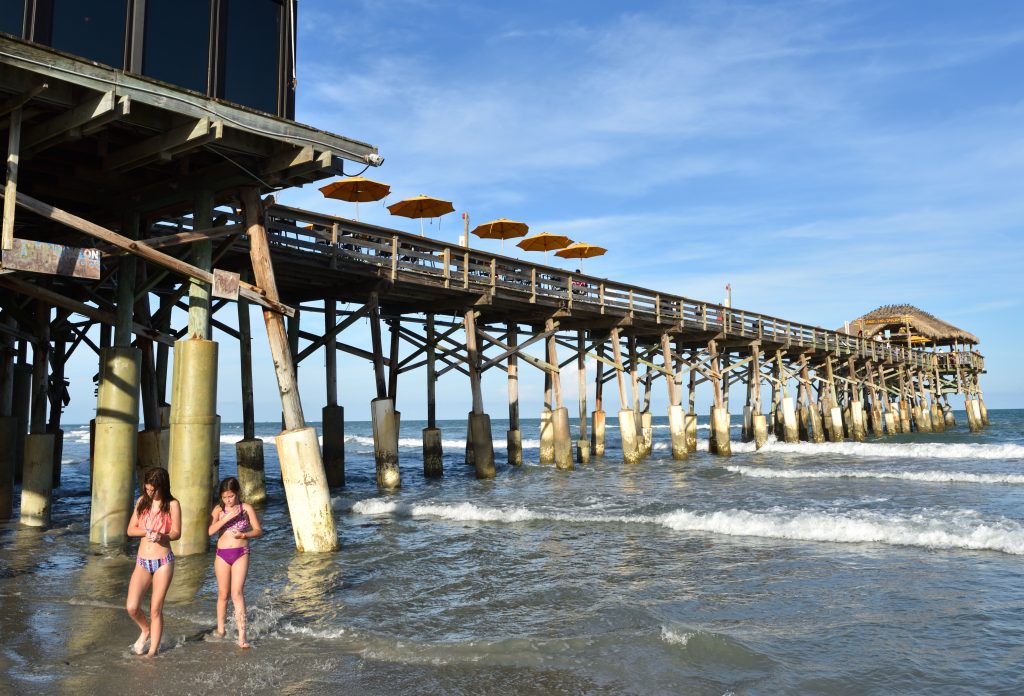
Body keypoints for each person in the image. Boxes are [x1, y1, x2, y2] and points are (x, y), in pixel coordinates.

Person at [126, 467, 181, 657]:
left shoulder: (172, 504)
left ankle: (152, 653)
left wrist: (162, 536)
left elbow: (176, 533)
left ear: (162, 487)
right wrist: (147, 531)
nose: (150, 493)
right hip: (142, 562)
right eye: (147, 489)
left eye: (153, 490)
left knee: (155, 609)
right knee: (132, 607)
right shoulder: (142, 502)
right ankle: (146, 630)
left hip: (163, 561)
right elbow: (130, 530)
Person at [208, 476, 263, 648]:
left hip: (241, 552)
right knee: (223, 594)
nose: (228, 500)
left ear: (237, 493)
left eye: (230, 496)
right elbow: (210, 531)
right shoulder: (218, 510)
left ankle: (242, 636)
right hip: (222, 554)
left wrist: (244, 535)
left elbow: (258, 530)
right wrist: (225, 518)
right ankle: (221, 630)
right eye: (224, 497)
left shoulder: (246, 508)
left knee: (237, 593)